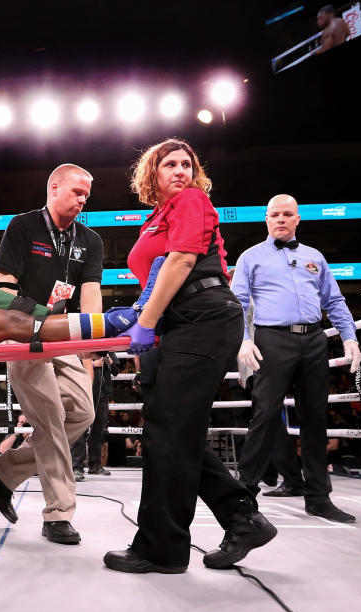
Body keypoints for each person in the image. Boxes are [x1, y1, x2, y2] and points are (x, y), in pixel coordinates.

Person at [104, 138, 276, 574]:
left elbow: (181, 262)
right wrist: (151, 328)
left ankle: (161, 549)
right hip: (178, 323)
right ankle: (242, 517)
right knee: (173, 430)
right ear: (152, 175)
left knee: (168, 430)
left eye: (187, 164)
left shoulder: (193, 200)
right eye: (170, 165)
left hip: (204, 316)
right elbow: (156, 279)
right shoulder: (154, 219)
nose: (180, 171)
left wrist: (148, 323)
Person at [0, 163, 102, 545]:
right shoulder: (23, 226)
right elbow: (5, 284)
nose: (83, 200)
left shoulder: (91, 239)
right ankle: (58, 514)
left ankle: (3, 471)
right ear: (53, 188)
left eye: (86, 195)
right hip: (24, 333)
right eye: (76, 192)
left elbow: (91, 293)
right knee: (50, 418)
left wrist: (92, 344)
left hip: (64, 334)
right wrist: (25, 322)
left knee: (83, 413)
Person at [231, 193, 361, 523]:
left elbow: (335, 301)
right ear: (266, 219)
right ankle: (243, 495)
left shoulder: (314, 256)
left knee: (316, 418)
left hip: (314, 339)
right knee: (265, 414)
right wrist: (244, 341)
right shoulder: (251, 257)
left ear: (298, 219)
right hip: (271, 339)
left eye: (287, 214)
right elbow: (238, 303)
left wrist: (349, 337)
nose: (281, 219)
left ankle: (318, 497)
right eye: (275, 214)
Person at [71, 352, 117, 480]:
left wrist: (107, 357)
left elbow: (116, 371)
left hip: (102, 394)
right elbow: (70, 367)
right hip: (82, 393)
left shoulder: (107, 350)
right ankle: (77, 467)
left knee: (98, 430)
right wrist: (92, 364)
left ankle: (95, 464)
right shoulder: (81, 348)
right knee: (80, 429)